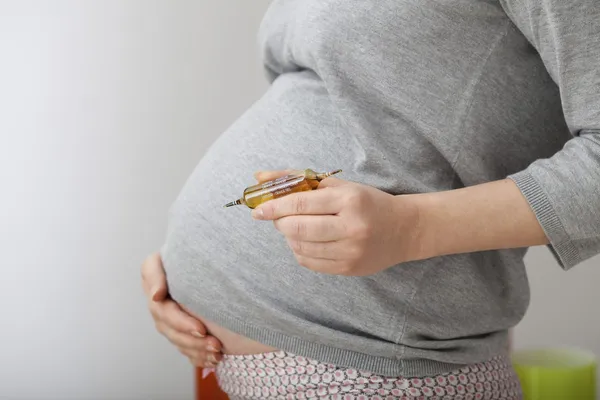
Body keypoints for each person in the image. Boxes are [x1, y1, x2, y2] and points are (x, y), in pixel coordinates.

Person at [141, 0, 600, 398]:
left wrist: (410, 228)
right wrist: (188, 262)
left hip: (371, 366)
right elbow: (341, 104)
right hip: (241, 358)